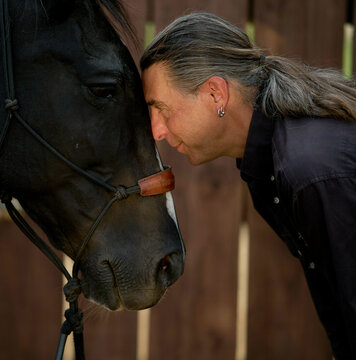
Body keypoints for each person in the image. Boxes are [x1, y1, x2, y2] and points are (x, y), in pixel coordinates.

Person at [140, 12, 356, 359]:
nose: (157, 130)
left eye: (161, 108)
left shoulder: (310, 170)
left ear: (215, 94)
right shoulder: (271, 162)